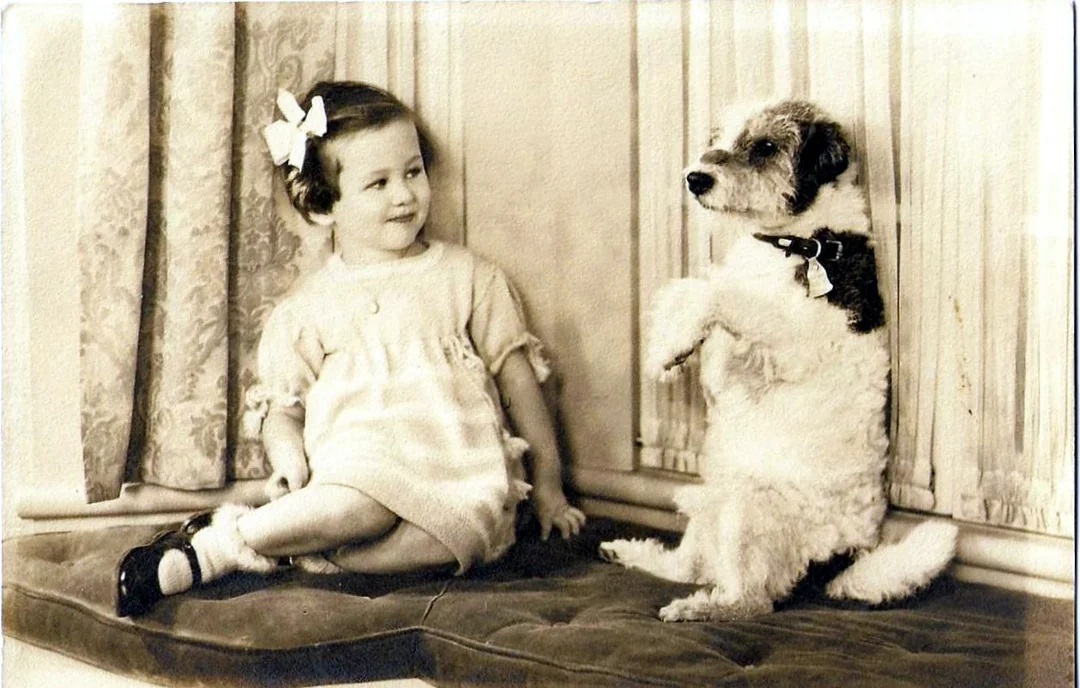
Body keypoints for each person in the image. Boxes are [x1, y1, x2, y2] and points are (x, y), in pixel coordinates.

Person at [116, 81, 586, 617]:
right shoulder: (308, 309)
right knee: (360, 504)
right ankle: (216, 550)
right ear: (322, 207)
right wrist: (288, 457)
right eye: (378, 183)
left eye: (413, 172)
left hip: (455, 478)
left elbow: (521, 384)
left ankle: (286, 542)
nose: (405, 195)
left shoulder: (470, 278)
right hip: (357, 470)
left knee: (456, 539)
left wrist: (549, 486)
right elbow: (281, 411)